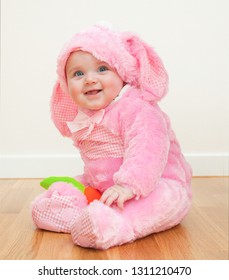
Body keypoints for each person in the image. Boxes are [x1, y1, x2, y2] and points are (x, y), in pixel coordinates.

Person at [32, 24, 192, 249]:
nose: (89, 79)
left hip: (151, 184)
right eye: (78, 73)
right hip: (107, 188)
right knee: (76, 187)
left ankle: (114, 225)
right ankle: (68, 210)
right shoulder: (87, 116)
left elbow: (147, 151)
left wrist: (128, 185)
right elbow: (98, 164)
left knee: (159, 203)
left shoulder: (137, 108)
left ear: (123, 74)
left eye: (102, 69)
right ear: (66, 86)